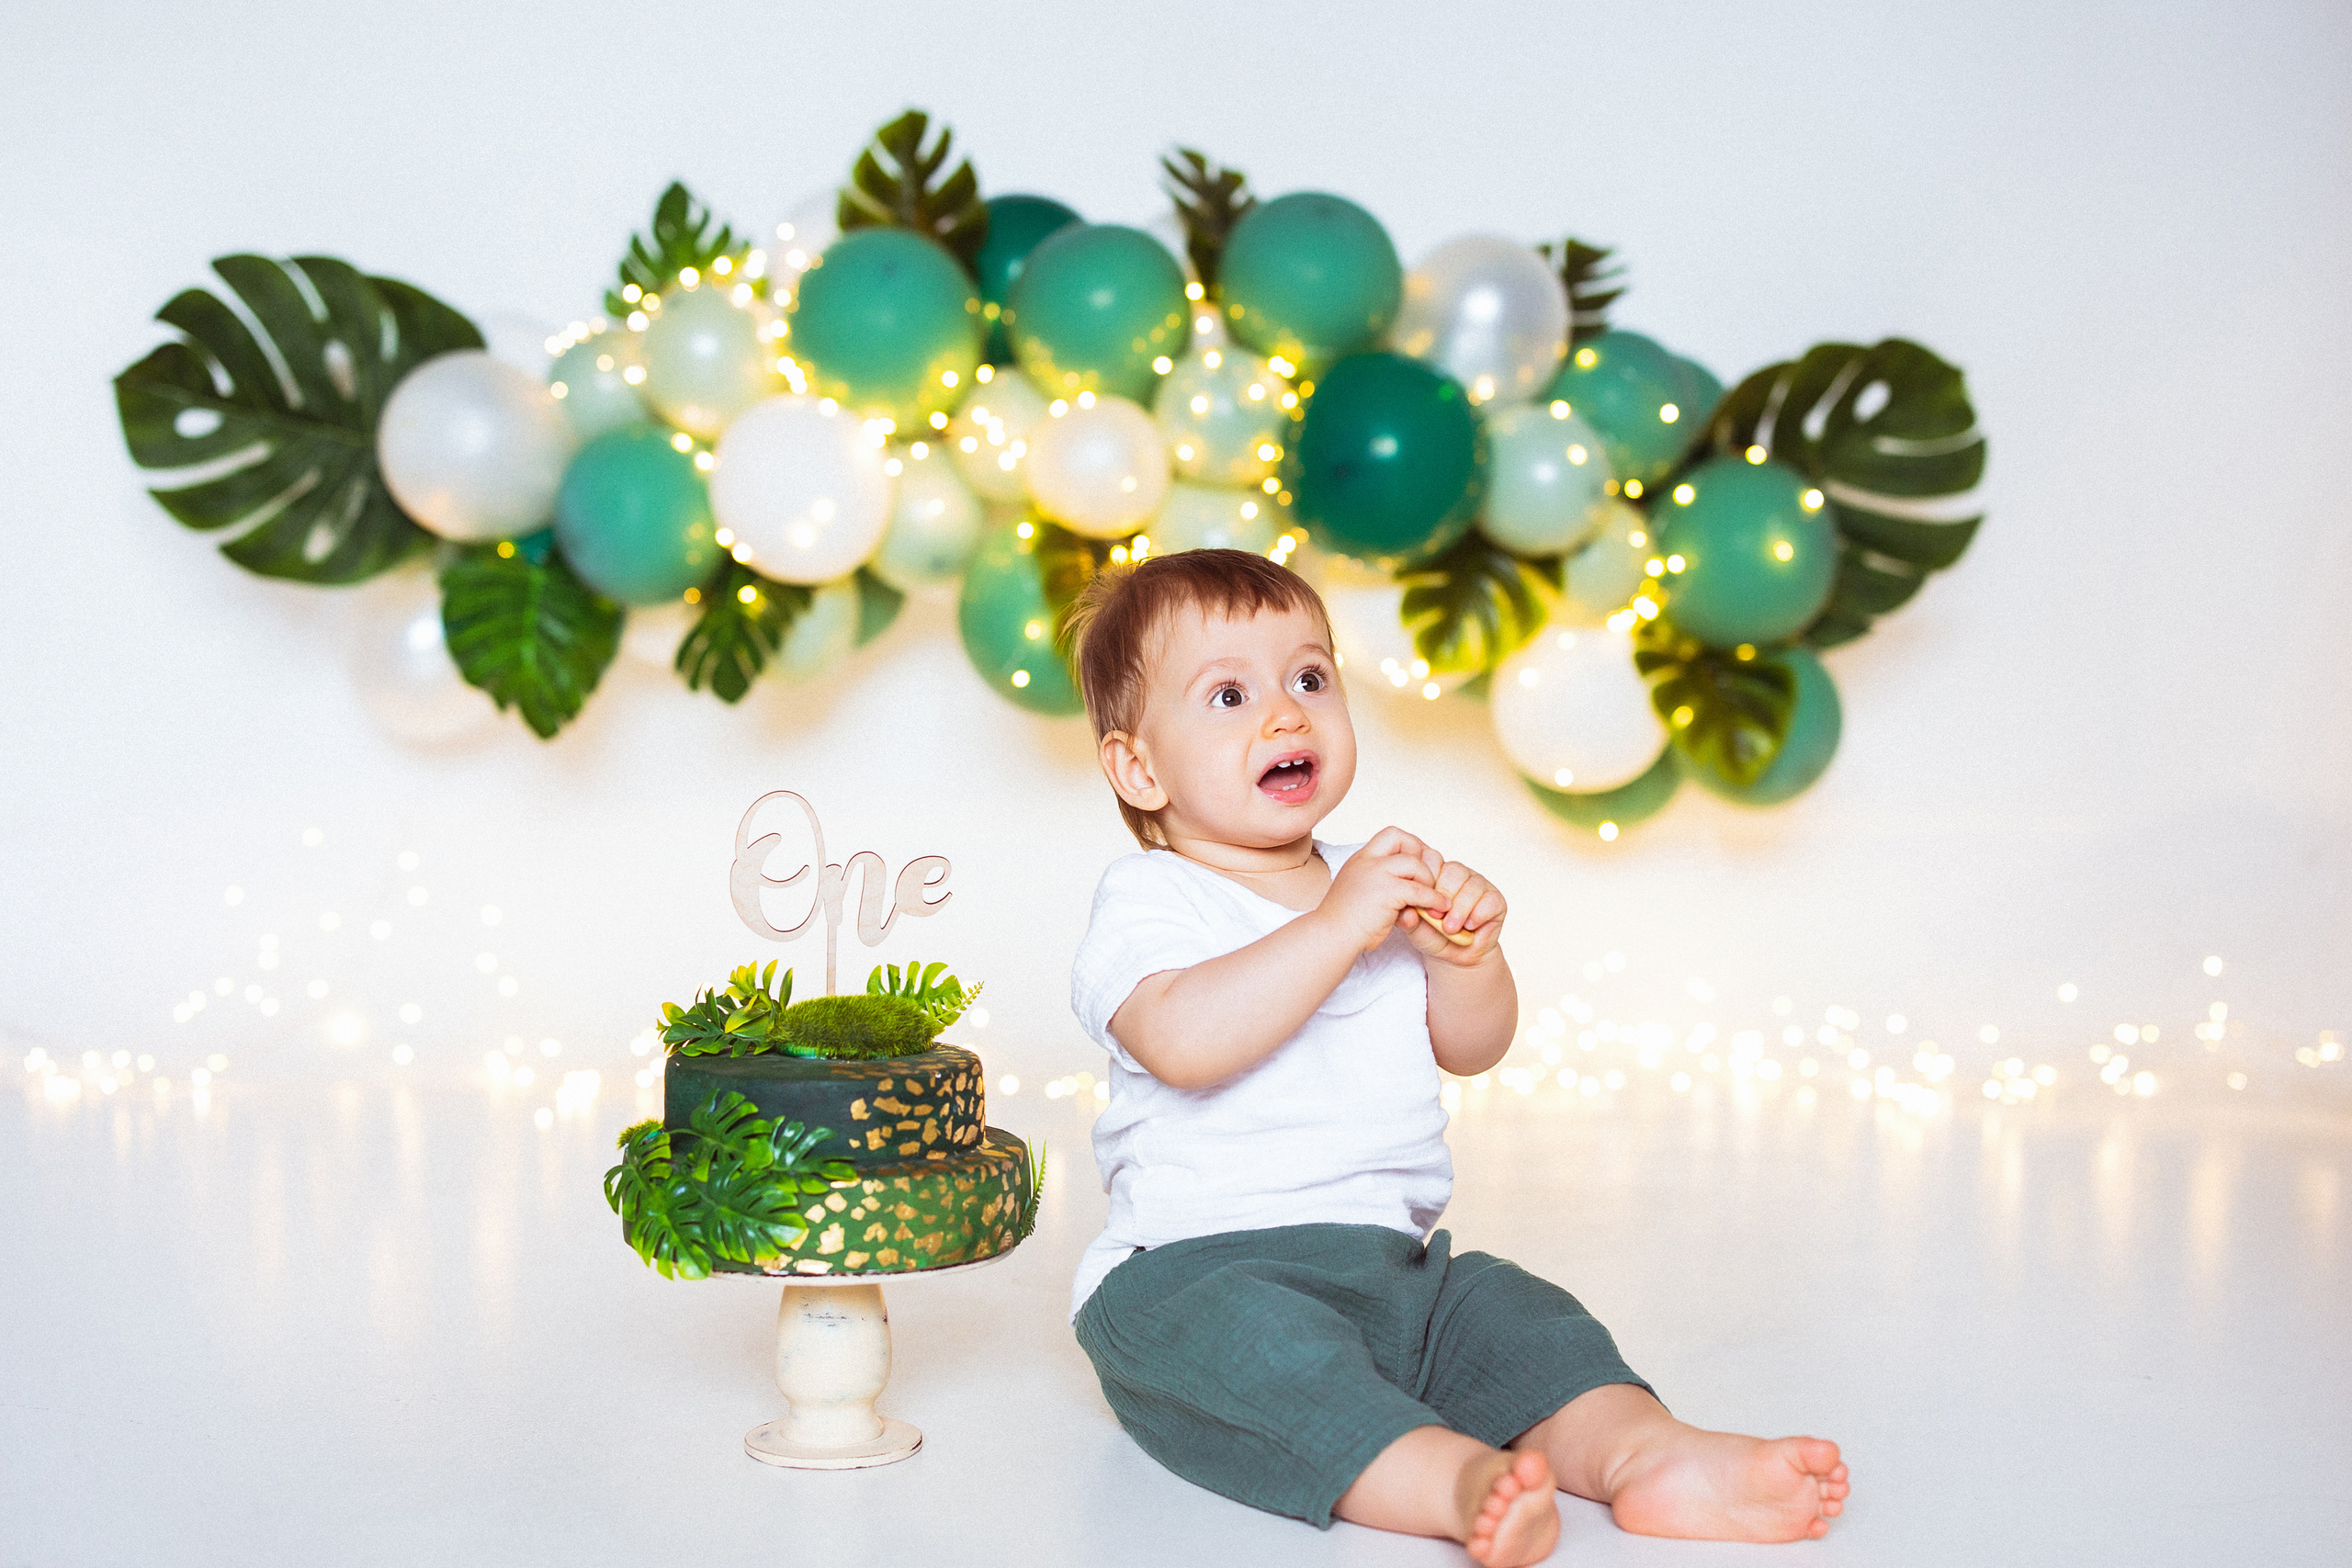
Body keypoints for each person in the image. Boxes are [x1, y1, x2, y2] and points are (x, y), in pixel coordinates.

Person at [1059, 549, 1849, 1566]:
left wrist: (1465, 959)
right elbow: (1183, 1042)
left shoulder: (1372, 884)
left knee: (1519, 1316)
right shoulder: (1154, 900)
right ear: (1140, 769)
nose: (1287, 716)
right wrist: (1341, 925)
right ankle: (1453, 1482)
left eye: (1310, 679)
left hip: (1393, 1269)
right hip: (1196, 1277)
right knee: (1270, 1359)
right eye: (1228, 694)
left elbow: (1473, 1047)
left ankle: (1646, 1455)